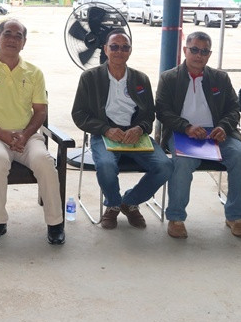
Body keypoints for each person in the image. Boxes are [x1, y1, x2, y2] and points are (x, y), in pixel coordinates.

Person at [0, 19, 65, 246]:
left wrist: (25, 134)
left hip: (28, 136)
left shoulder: (34, 72)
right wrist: (2, 134)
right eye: (7, 34)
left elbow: (40, 111)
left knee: (44, 161)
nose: (12, 39)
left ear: (24, 42)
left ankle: (55, 223)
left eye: (18, 35)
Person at [71, 28, 173, 230]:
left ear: (130, 51)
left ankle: (130, 202)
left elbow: (149, 114)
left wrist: (140, 128)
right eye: (114, 47)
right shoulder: (90, 78)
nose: (119, 51)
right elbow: (79, 114)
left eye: (125, 47)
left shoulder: (140, 78)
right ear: (105, 49)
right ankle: (113, 205)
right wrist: (105, 129)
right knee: (106, 165)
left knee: (165, 166)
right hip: (105, 134)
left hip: (135, 134)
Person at [156, 31, 241, 239]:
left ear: (209, 54)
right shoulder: (169, 78)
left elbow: (233, 108)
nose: (198, 55)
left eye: (204, 51)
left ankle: (236, 217)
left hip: (218, 134)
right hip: (183, 133)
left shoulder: (220, 78)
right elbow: (163, 111)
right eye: (194, 50)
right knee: (182, 163)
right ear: (185, 50)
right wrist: (186, 127)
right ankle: (176, 218)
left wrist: (224, 127)